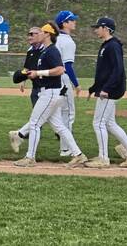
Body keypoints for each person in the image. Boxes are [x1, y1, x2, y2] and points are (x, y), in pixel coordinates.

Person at [13, 22, 87, 168]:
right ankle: (79, 155)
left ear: (47, 34)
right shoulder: (45, 51)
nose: (38, 34)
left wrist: (39, 73)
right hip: (49, 92)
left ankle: (30, 158)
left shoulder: (52, 50)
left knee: (34, 123)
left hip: (50, 92)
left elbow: (60, 69)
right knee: (59, 126)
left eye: (41, 32)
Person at [84, 18, 127, 168]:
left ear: (106, 28)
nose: (96, 30)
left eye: (98, 27)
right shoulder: (107, 45)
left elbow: (118, 70)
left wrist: (106, 89)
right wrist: (94, 88)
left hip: (110, 91)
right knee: (110, 123)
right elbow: (104, 72)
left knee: (98, 123)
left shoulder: (113, 46)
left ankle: (103, 158)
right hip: (107, 89)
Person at [9, 27, 45, 152]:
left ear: (41, 35)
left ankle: (19, 135)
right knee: (40, 119)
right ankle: (19, 135)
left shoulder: (46, 50)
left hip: (47, 89)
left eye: (32, 34)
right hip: (38, 89)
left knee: (42, 119)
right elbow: (27, 68)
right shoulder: (31, 51)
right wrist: (23, 80)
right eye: (28, 34)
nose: (29, 37)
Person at [55, 10, 80, 156]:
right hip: (63, 78)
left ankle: (21, 133)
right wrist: (76, 84)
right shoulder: (68, 41)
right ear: (64, 23)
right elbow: (68, 66)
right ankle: (66, 148)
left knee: (54, 113)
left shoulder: (55, 39)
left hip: (53, 79)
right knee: (68, 114)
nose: (74, 22)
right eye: (71, 20)